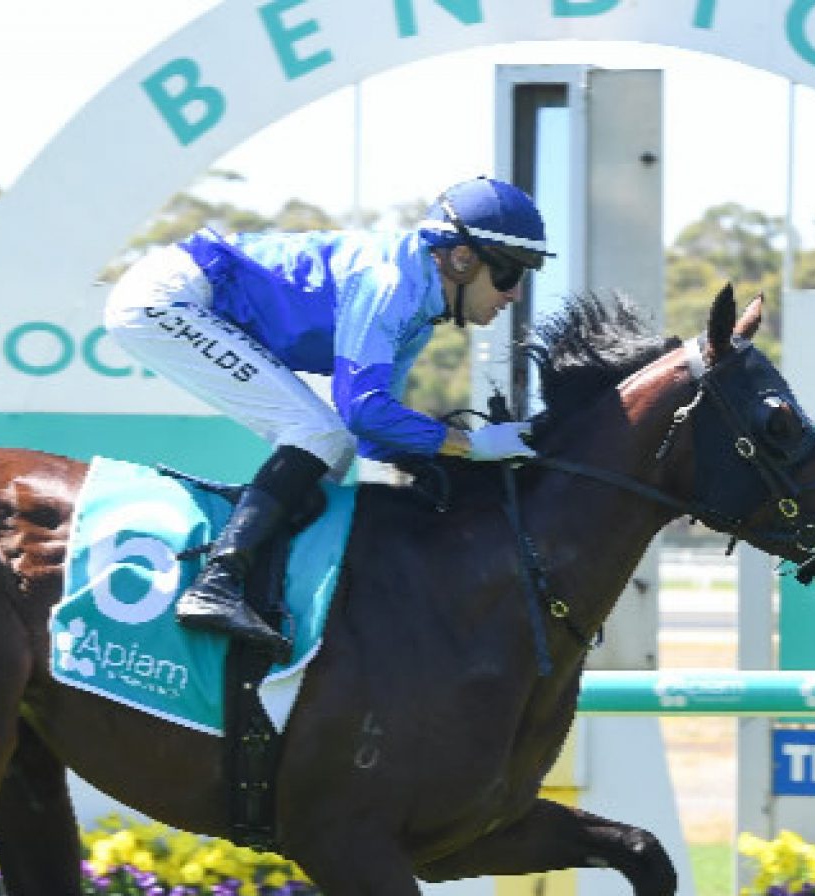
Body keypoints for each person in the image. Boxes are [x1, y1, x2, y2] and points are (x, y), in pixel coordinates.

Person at [103, 175, 553, 653]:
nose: (515, 295)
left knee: (330, 454)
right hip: (169, 298)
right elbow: (362, 411)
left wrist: (464, 467)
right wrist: (474, 445)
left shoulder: (416, 318)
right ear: (462, 259)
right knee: (317, 431)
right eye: (510, 274)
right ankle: (216, 582)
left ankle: (263, 592)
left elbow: (376, 437)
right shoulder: (390, 283)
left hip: (183, 297)